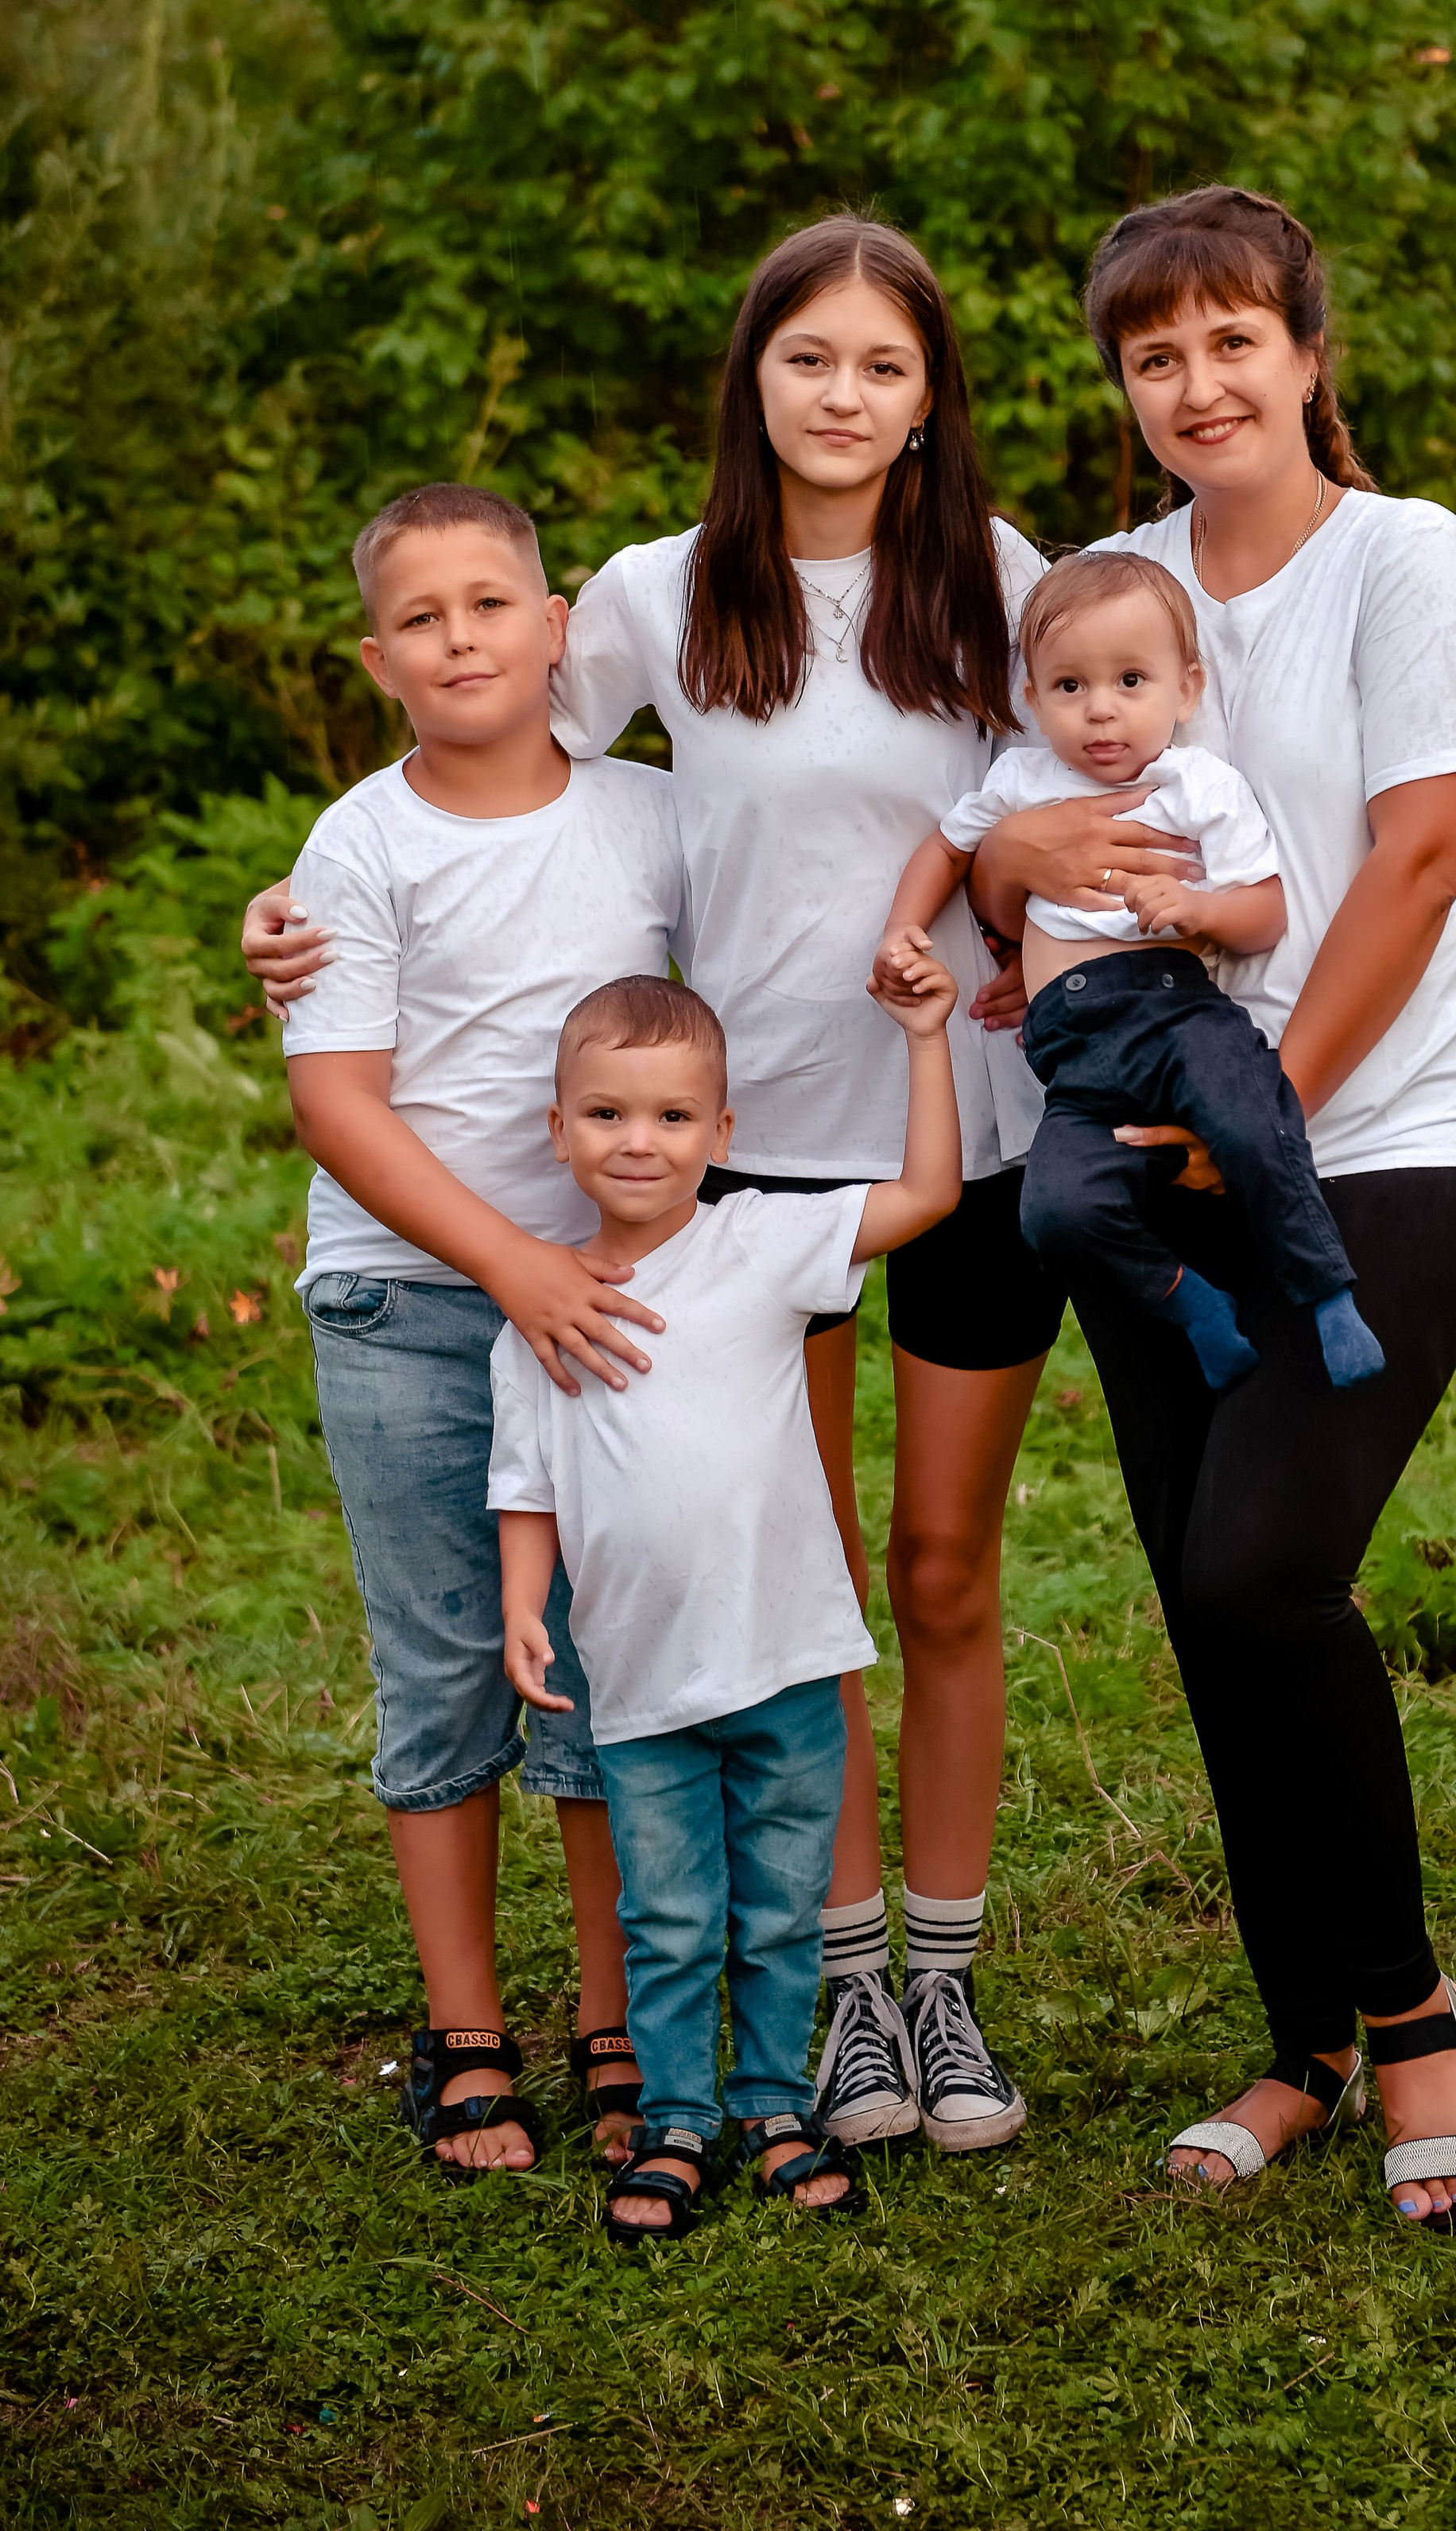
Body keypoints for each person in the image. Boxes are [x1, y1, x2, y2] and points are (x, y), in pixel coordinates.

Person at [241, 221, 1052, 2153]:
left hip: (968, 1135)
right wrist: (300, 903)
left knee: (938, 1572)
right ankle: (834, 1982)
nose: (840, 395)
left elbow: (1090, 766)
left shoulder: (993, 581)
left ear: (929, 391)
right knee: (797, 1576)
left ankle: (936, 1981)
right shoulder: (661, 589)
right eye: (805, 359)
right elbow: (481, 733)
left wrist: (1044, 926)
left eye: (879, 363)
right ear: (751, 378)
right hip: (736, 1163)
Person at [968, 185, 1456, 2230]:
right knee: (1200, 1588)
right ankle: (1294, 2040)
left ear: (1303, 352)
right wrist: (1014, 852)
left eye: (1230, 340)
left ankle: (1410, 2015)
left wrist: (1260, 1123)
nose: (1195, 384)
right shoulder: (1108, 586)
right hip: (1150, 1150)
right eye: (1151, 354)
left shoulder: (1403, 556)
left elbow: (1415, 859)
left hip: (1388, 1141)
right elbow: (1015, 827)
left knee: (1258, 1571)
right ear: (1122, 388)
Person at [274, 481, 687, 2175]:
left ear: (556, 629)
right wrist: (510, 1265)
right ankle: (463, 2033)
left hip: (605, 1308)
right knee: (446, 1664)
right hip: (409, 1303)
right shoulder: (360, 843)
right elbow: (339, 1106)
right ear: (380, 659)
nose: (461, 637)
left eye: (489, 604)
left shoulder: (654, 821)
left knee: (598, 1670)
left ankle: (612, 2020)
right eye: (423, 618)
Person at [495, 952, 962, 2242]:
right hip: (639, 1680)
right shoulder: (542, 1309)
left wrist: (926, 1039)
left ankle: (772, 2104)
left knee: (775, 1904)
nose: (639, 1143)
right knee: (670, 1914)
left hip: (789, 1660)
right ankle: (677, 2119)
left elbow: (926, 1194)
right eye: (607, 1114)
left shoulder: (763, 1244)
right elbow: (526, 1486)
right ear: (559, 1129)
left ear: (722, 1132)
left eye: (672, 1116)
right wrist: (525, 1605)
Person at [875, 549, 1382, 1394]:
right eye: (1069, 688)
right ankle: (1193, 1306)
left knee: (1253, 1116)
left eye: (1131, 681)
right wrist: (902, 929)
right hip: (1074, 1061)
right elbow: (945, 848)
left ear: (1186, 690)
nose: (1099, 710)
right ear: (1032, 701)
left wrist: (1198, 910)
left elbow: (1264, 910)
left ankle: (1325, 1294)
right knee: (1054, 1210)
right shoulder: (1020, 781)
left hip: (1179, 1019)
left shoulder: (1196, 785)